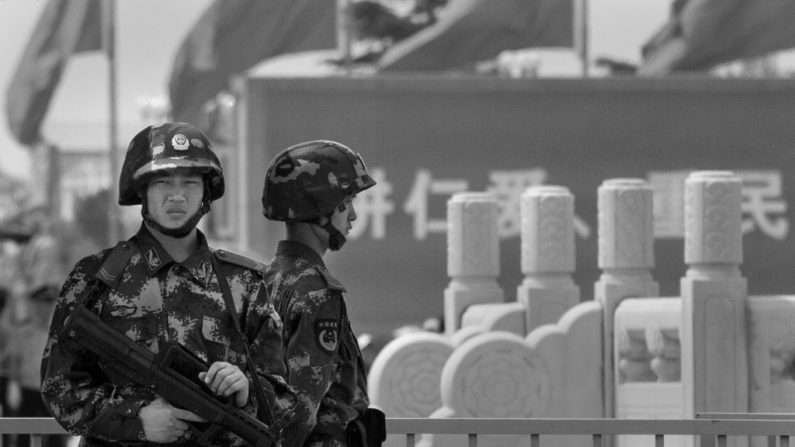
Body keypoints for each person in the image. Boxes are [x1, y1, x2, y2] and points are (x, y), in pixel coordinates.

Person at [41, 122, 294, 446]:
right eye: (162, 182)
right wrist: (136, 418)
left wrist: (246, 389)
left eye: (190, 182)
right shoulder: (96, 278)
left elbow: (284, 399)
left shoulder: (241, 283)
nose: (176, 195)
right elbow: (58, 388)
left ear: (206, 193)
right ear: (142, 192)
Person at [261, 140, 383, 447]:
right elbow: (300, 412)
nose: (353, 215)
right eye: (348, 202)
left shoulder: (269, 278)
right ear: (321, 205)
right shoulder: (316, 292)